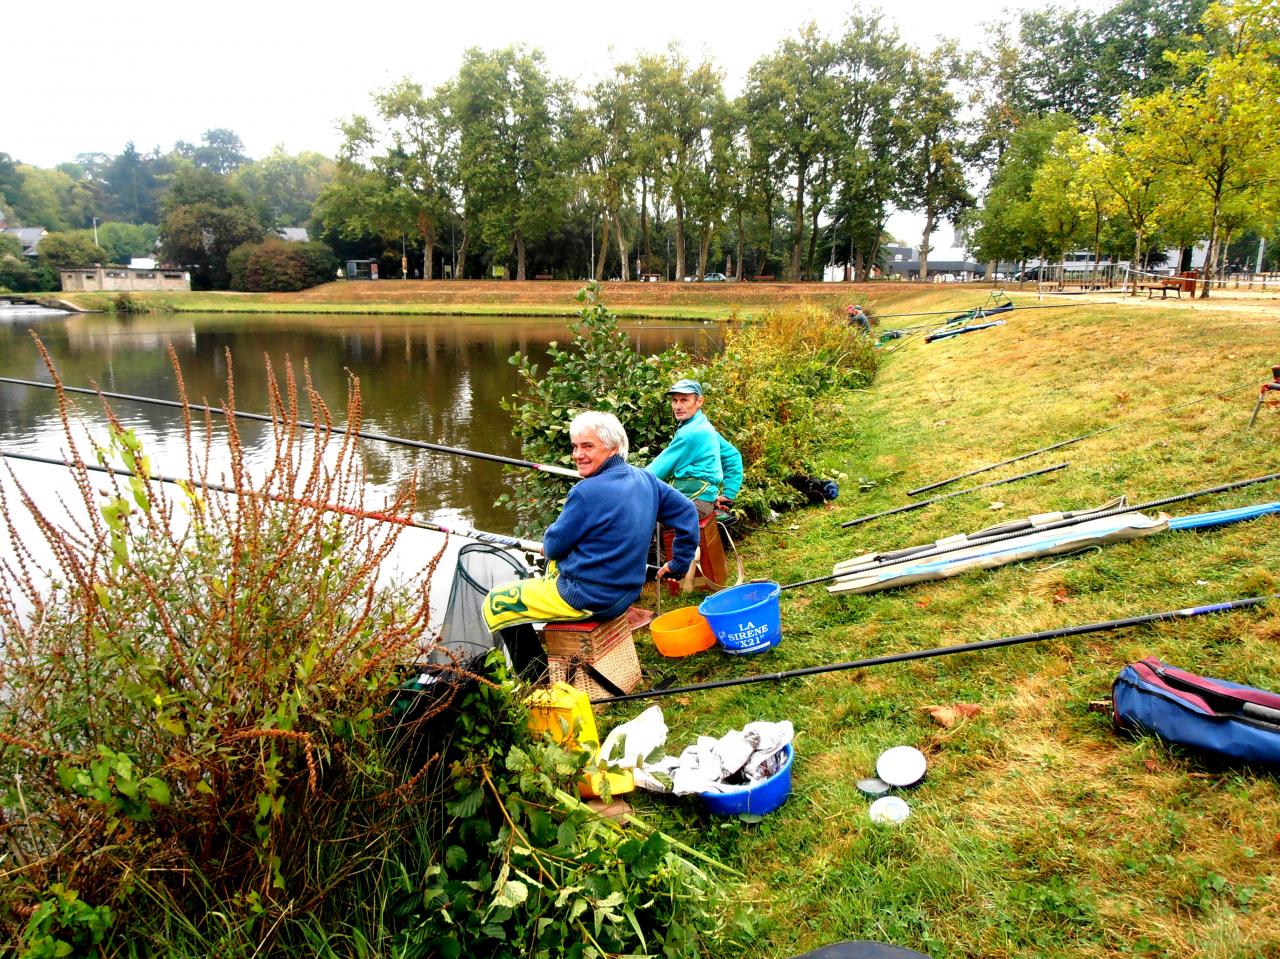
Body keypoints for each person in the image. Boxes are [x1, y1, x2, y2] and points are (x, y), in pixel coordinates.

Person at [483, 411, 698, 632]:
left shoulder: (585, 491)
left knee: (496, 602)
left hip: (591, 599)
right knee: (554, 565)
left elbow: (553, 546)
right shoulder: (645, 478)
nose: (578, 455)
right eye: (575, 447)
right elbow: (687, 511)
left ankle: (532, 666)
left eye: (588, 446)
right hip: (627, 592)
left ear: (613, 447)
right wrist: (679, 563)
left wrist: (549, 545)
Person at [646, 379, 743, 517]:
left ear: (699, 402)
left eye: (684, 400)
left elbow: (655, 471)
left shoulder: (691, 433)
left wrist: (631, 482)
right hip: (702, 498)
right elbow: (733, 456)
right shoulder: (702, 425)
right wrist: (729, 494)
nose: (677, 406)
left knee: (643, 518)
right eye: (675, 400)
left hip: (694, 500)